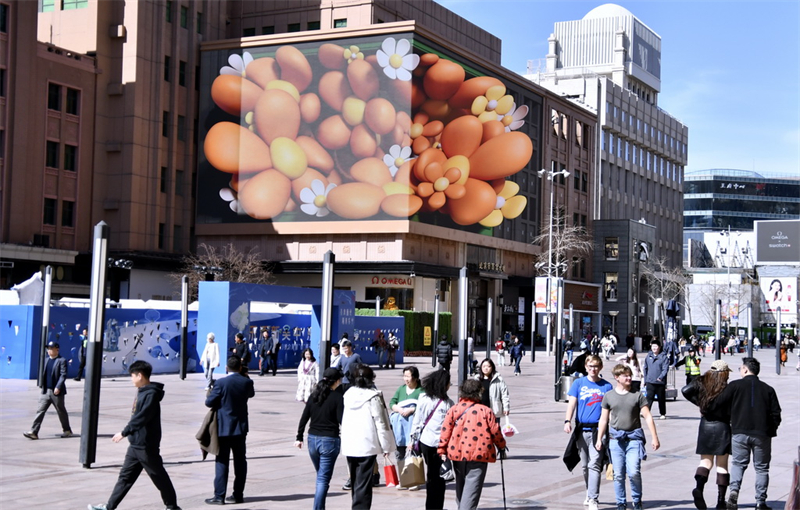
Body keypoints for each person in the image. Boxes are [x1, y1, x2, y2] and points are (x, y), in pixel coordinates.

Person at [88, 361, 181, 510]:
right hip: (135, 444)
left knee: (158, 476)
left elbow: (142, 417)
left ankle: (172, 506)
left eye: (132, 376)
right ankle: (109, 507)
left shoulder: (151, 394)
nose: (131, 379)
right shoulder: (143, 391)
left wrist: (124, 432)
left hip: (146, 445)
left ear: (140, 375)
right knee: (125, 477)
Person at [714, 357, 782, 510]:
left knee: (738, 464)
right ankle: (760, 502)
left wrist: (729, 418)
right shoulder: (768, 389)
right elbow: (776, 414)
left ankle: (734, 493)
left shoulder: (734, 386)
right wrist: (771, 429)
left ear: (745, 369)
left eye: (740, 368)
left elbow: (719, 403)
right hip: (762, 434)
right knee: (762, 468)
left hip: (739, 432)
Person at [595, 364, 661, 510]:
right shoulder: (609, 396)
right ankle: (621, 503)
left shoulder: (637, 395)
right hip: (615, 440)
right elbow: (604, 419)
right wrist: (599, 439)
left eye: (630, 375)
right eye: (625, 375)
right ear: (617, 377)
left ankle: (637, 501)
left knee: (634, 472)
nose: (629, 378)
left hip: (634, 439)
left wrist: (654, 437)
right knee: (618, 475)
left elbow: (647, 416)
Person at [438, 378, 507, 510]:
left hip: (457, 452)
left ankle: (462, 507)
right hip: (479, 453)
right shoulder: (485, 411)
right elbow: (495, 431)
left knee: (461, 484)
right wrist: (502, 446)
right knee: (472, 487)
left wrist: (442, 450)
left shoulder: (454, 409)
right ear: (479, 392)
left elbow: (445, 431)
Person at [341, 364, 395, 509]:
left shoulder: (348, 394)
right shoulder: (373, 396)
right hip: (367, 444)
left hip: (350, 443)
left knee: (355, 481)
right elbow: (381, 423)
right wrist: (386, 446)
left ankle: (356, 506)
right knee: (364, 483)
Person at [682, 360, 734, 510]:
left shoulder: (702, 382)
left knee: (705, 462)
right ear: (724, 373)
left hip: (706, 425)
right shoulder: (727, 388)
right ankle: (720, 501)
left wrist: (699, 403)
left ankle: (699, 488)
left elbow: (685, 390)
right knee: (722, 465)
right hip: (723, 426)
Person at [564, 355, 613, 510]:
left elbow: (611, 409)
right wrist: (567, 421)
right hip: (581, 430)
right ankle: (588, 491)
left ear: (601, 367)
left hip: (599, 431)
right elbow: (572, 404)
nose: (593, 369)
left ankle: (593, 499)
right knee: (585, 465)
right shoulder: (578, 383)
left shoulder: (606, 386)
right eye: (591, 366)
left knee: (595, 464)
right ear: (586, 367)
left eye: (596, 366)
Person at [204, 356, 255, 505]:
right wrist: (245, 376)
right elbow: (251, 394)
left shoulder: (221, 383)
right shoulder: (247, 382)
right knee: (240, 462)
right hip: (240, 428)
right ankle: (238, 494)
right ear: (240, 367)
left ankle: (219, 496)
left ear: (227, 368)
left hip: (223, 428)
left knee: (222, 461)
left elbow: (209, 402)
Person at [295, 367, 345, 510]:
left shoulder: (314, 395)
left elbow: (304, 417)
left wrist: (299, 437)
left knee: (321, 476)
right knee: (323, 479)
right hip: (329, 440)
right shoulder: (337, 397)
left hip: (312, 440)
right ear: (336, 381)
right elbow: (342, 420)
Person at [410, 369, 454, 509]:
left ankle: (431, 506)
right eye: (448, 383)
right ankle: (436, 506)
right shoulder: (445, 403)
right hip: (436, 444)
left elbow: (417, 421)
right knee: (439, 477)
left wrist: (413, 440)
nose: (449, 386)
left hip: (427, 442)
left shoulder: (426, 399)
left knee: (433, 475)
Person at [24, 341, 72, 440]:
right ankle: (34, 431)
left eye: (51, 348)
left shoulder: (61, 360)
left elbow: (63, 375)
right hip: (45, 391)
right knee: (40, 411)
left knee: (61, 411)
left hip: (56, 392)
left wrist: (58, 386)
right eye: (48, 348)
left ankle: (67, 430)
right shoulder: (46, 360)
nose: (49, 350)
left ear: (57, 349)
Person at [389, 366, 423, 460]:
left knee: (412, 458)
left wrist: (412, 410)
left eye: (408, 376)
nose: (406, 379)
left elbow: (424, 407)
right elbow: (392, 403)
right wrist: (398, 409)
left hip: (412, 430)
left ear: (415, 378)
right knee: (399, 456)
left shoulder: (421, 391)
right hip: (399, 429)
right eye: (404, 376)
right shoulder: (401, 389)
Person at [643, 339, 669, 420]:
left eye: (656, 346)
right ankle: (646, 413)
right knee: (649, 398)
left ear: (659, 347)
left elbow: (665, 369)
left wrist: (661, 377)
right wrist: (645, 379)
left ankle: (662, 413)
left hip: (659, 382)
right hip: (650, 381)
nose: (654, 348)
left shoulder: (663, 357)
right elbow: (645, 368)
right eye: (653, 346)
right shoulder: (648, 356)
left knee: (661, 398)